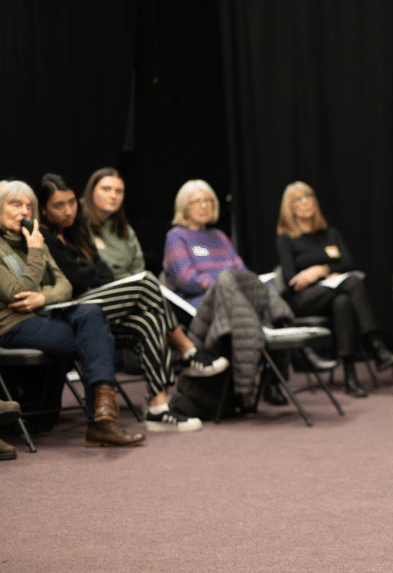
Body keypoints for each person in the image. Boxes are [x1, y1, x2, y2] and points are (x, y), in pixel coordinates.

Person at [38, 173, 228, 433]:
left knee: (147, 320)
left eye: (72, 203)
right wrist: (89, 273)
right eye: (59, 205)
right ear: (43, 210)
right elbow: (74, 277)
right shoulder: (42, 238)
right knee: (146, 283)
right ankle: (188, 351)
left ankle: (158, 408)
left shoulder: (74, 235)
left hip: (94, 306)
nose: (68, 210)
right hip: (65, 311)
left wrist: (89, 272)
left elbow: (98, 271)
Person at [0, 180, 144, 447]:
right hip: (13, 325)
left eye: (28, 206)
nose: (24, 211)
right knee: (97, 340)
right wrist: (34, 252)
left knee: (91, 312)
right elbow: (16, 292)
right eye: (15, 204)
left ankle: (102, 418)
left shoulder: (35, 240)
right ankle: (102, 421)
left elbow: (64, 285)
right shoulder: (28, 244)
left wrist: (44, 296)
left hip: (47, 314)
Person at [163, 179, 294, 413]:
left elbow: (242, 273)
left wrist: (235, 286)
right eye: (197, 202)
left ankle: (266, 378)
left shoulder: (220, 236)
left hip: (235, 304)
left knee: (263, 293)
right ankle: (261, 381)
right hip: (200, 306)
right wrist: (225, 286)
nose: (204, 206)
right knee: (235, 297)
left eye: (208, 201)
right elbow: (186, 279)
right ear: (184, 207)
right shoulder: (177, 236)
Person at [276, 181, 393, 398]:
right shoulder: (286, 239)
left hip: (332, 292)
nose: (305, 202)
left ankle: (350, 375)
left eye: (309, 196)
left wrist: (320, 269)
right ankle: (375, 343)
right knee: (352, 284)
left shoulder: (330, 234)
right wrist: (318, 274)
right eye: (299, 199)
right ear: (290, 207)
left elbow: (348, 263)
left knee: (342, 301)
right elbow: (289, 279)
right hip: (302, 300)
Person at [81, 167, 145, 280]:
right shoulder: (77, 221)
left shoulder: (124, 227)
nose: (113, 196)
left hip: (130, 287)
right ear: (91, 190)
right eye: (106, 189)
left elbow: (139, 266)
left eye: (119, 191)